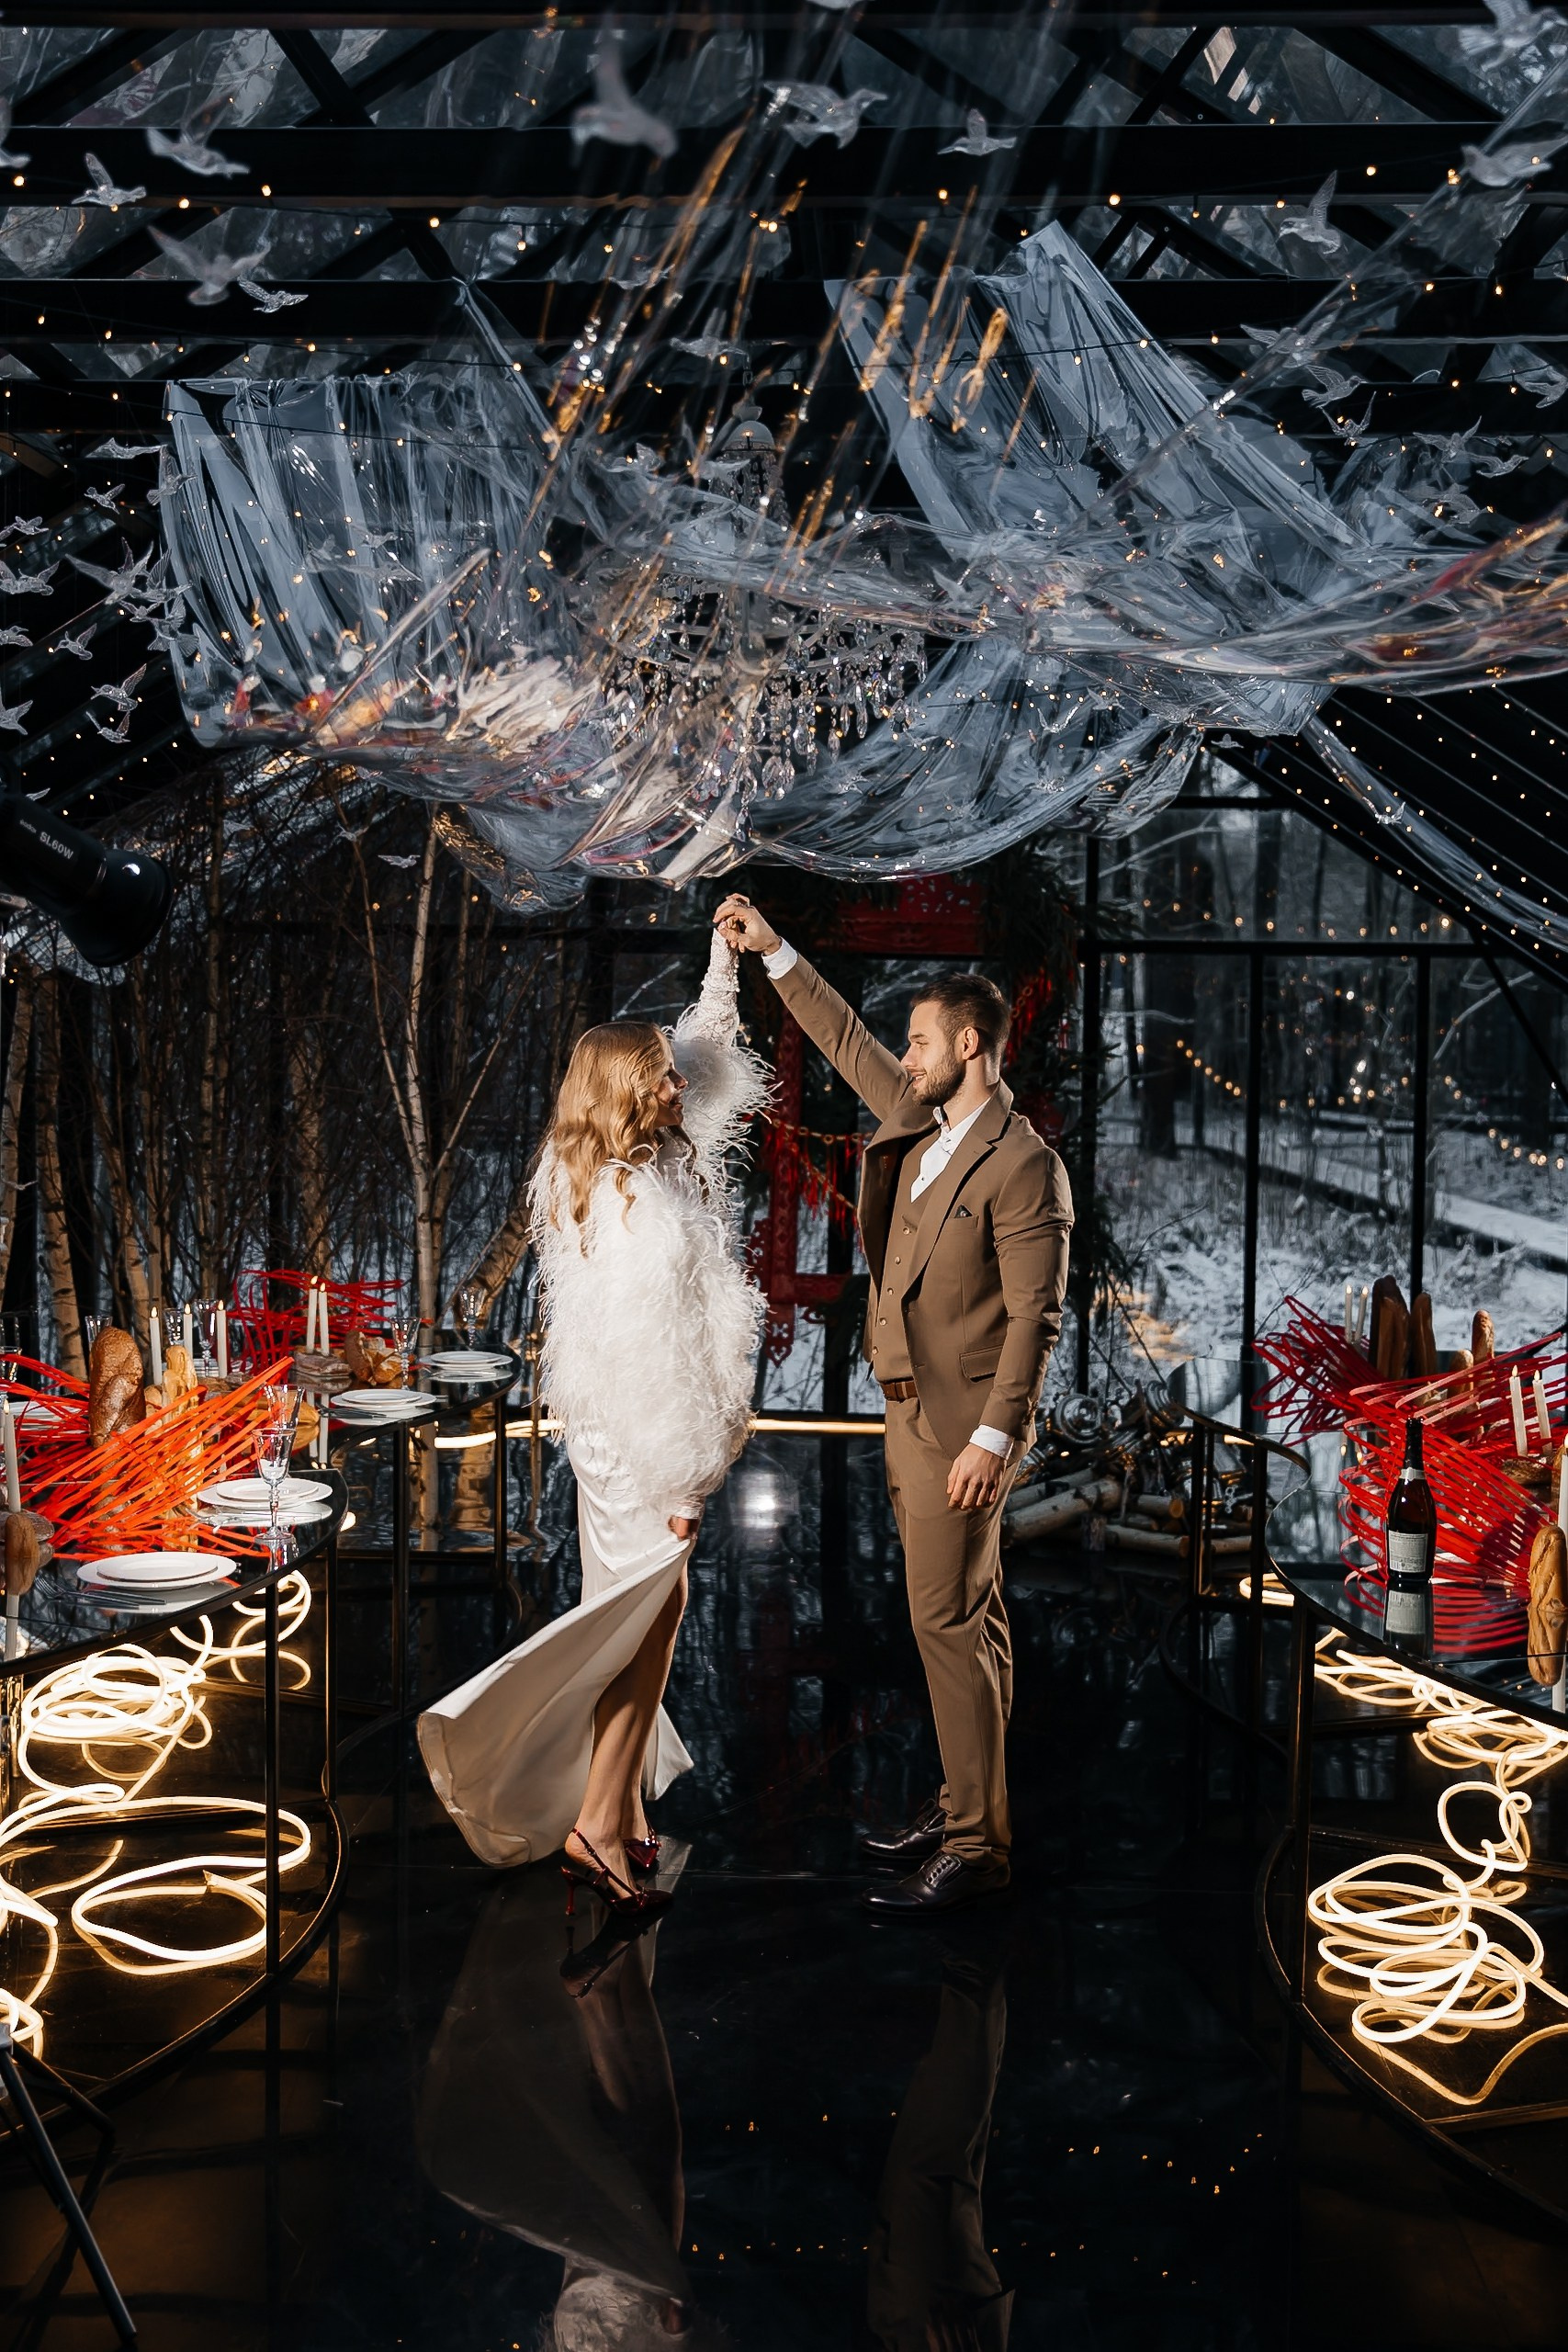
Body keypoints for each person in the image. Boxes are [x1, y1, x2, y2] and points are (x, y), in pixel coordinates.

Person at [716, 894, 1072, 1915]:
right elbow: (841, 1036)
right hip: (908, 1413)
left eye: (919, 1041)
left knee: (943, 1621)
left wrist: (994, 1439)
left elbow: (1036, 1318)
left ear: (969, 1045)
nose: (903, 1058)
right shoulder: (921, 1119)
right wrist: (774, 950)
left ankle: (976, 1848)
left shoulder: (1025, 1166)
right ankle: (967, 1803)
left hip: (964, 1430)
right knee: (975, 1621)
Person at [419, 931, 768, 1917]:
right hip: (641, 1439)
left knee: (642, 1618)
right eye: (660, 1076)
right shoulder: (628, 1204)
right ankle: (596, 1824)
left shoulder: (619, 1164)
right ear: (625, 1093)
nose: (678, 1085)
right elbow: (650, 1355)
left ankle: (618, 1808)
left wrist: (723, 966)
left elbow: (709, 1060)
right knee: (639, 1625)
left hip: (619, 1434)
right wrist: (685, 1475)